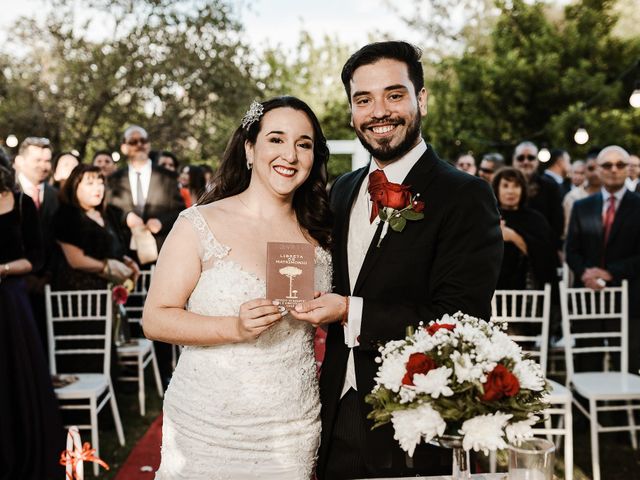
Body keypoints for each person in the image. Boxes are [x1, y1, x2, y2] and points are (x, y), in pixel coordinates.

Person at [290, 41, 503, 479]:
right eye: (363, 99)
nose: (378, 111)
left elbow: (462, 320)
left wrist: (350, 310)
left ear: (420, 99)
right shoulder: (342, 190)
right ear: (352, 111)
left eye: (394, 94)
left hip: (413, 418)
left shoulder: (464, 196)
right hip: (335, 411)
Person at [143, 96, 333, 479]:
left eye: (304, 143)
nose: (290, 155)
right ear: (250, 148)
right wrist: (234, 327)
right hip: (208, 425)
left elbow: (329, 321)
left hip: (291, 426)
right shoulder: (199, 222)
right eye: (276, 139)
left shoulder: (321, 232)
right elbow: (155, 319)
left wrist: (329, 312)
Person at [0, 164, 64, 479]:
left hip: (11, 302)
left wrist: (4, 269)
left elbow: (36, 257)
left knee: (15, 376)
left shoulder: (21, 203)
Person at [566, 145, 640, 372]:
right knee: (588, 363)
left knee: (629, 364)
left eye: (620, 164)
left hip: (630, 300)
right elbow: (571, 251)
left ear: (629, 169)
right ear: (598, 169)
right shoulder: (581, 207)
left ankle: (629, 408)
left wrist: (610, 272)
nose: (614, 169)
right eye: (607, 165)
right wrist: (586, 273)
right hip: (588, 297)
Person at [53, 164, 139, 290]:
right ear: (75, 186)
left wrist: (127, 262)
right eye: (90, 183)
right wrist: (108, 267)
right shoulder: (66, 215)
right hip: (79, 291)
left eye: (100, 183)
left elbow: (114, 248)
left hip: (111, 290)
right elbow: (76, 260)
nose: (98, 188)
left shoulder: (109, 213)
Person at [105, 125, 185, 259]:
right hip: (124, 253)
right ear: (124, 147)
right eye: (133, 141)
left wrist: (161, 222)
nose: (139, 144)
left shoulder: (167, 176)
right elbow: (107, 211)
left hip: (160, 253)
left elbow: (180, 211)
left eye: (143, 140)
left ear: (149, 144)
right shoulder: (114, 179)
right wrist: (125, 218)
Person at [492, 167, 558, 290]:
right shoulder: (487, 217)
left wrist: (513, 236)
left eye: (516, 186)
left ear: (523, 189)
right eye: (505, 186)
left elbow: (545, 258)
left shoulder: (536, 219)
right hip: (492, 291)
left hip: (527, 291)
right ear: (497, 189)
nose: (510, 191)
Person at [512, 141, 564, 248]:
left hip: (542, 247)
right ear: (514, 161)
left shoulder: (550, 186)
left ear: (537, 161)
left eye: (531, 158)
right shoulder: (504, 187)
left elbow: (557, 223)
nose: (525, 162)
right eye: (520, 158)